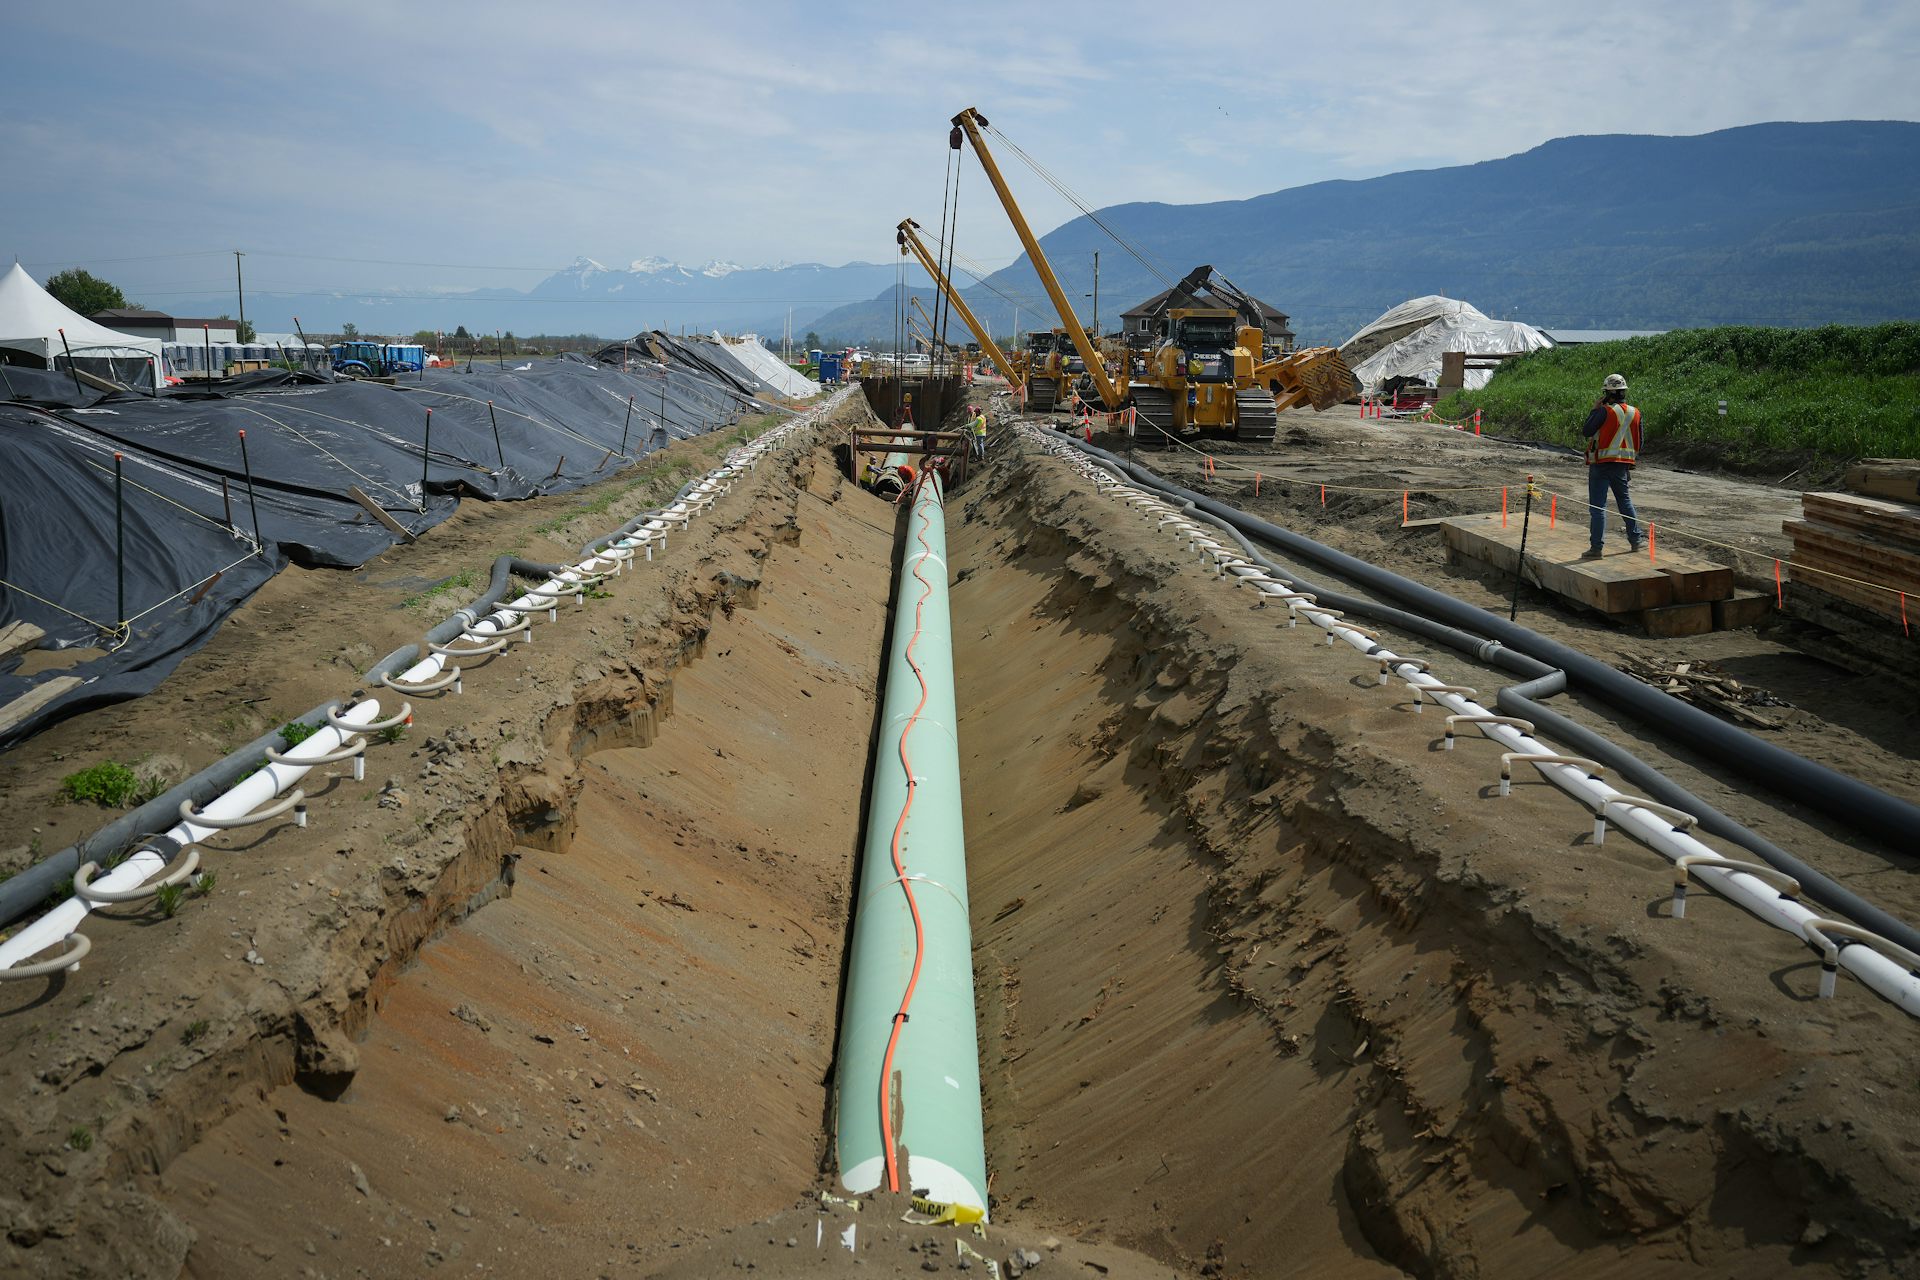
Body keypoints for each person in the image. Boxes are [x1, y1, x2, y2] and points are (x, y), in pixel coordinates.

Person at [1580, 373, 1642, 559]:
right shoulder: (1635, 412)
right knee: (1625, 502)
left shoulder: (1604, 411)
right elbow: (1641, 440)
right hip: (1622, 466)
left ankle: (1596, 549)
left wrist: (1594, 410)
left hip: (1601, 464)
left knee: (1598, 508)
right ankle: (1636, 540)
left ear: (1608, 393)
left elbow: (1587, 431)